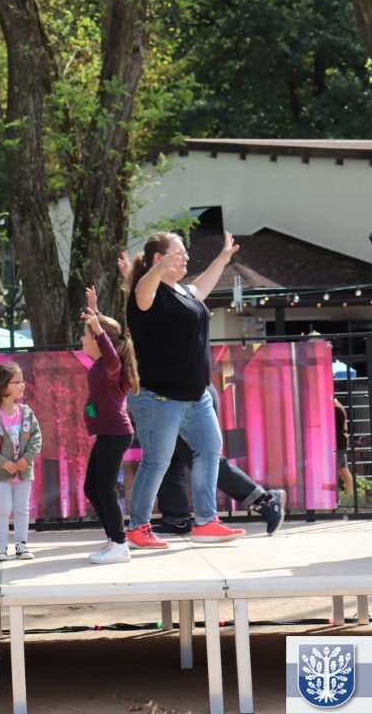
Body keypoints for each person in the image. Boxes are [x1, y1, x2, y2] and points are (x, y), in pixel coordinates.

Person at [119, 232, 245, 548]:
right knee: (157, 462)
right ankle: (137, 528)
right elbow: (143, 289)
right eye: (179, 252)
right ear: (159, 258)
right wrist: (159, 268)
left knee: (209, 450)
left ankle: (205, 522)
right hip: (159, 396)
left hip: (196, 396)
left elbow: (203, 285)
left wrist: (222, 258)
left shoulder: (185, 291)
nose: (186, 256)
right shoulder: (146, 292)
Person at [150, 386, 286, 536]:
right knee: (166, 459)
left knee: (202, 461)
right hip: (171, 399)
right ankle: (176, 519)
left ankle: (265, 501)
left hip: (188, 396)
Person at [79, 303, 139, 564]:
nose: (81, 339)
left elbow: (109, 350)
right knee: (92, 488)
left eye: (85, 334)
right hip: (108, 434)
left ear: (96, 339)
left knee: (105, 488)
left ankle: (120, 544)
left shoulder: (111, 366)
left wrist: (97, 328)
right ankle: (114, 540)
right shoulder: (104, 364)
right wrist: (96, 312)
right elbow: (109, 345)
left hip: (115, 434)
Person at [0, 362, 42, 561]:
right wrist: (2, 463)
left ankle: (22, 545)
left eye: (22, 381)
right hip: (1, 473)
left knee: (22, 508)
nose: (23, 385)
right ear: (3, 386)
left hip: (24, 472)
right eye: (17, 382)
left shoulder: (27, 413)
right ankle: (1, 548)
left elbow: (36, 438)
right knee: (3, 508)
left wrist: (27, 458)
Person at [333, 397, 355, 497]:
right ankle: (351, 497)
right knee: (344, 471)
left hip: (337, 445)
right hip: (341, 443)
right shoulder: (337, 405)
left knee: (331, 472)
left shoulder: (335, 407)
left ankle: (335, 499)